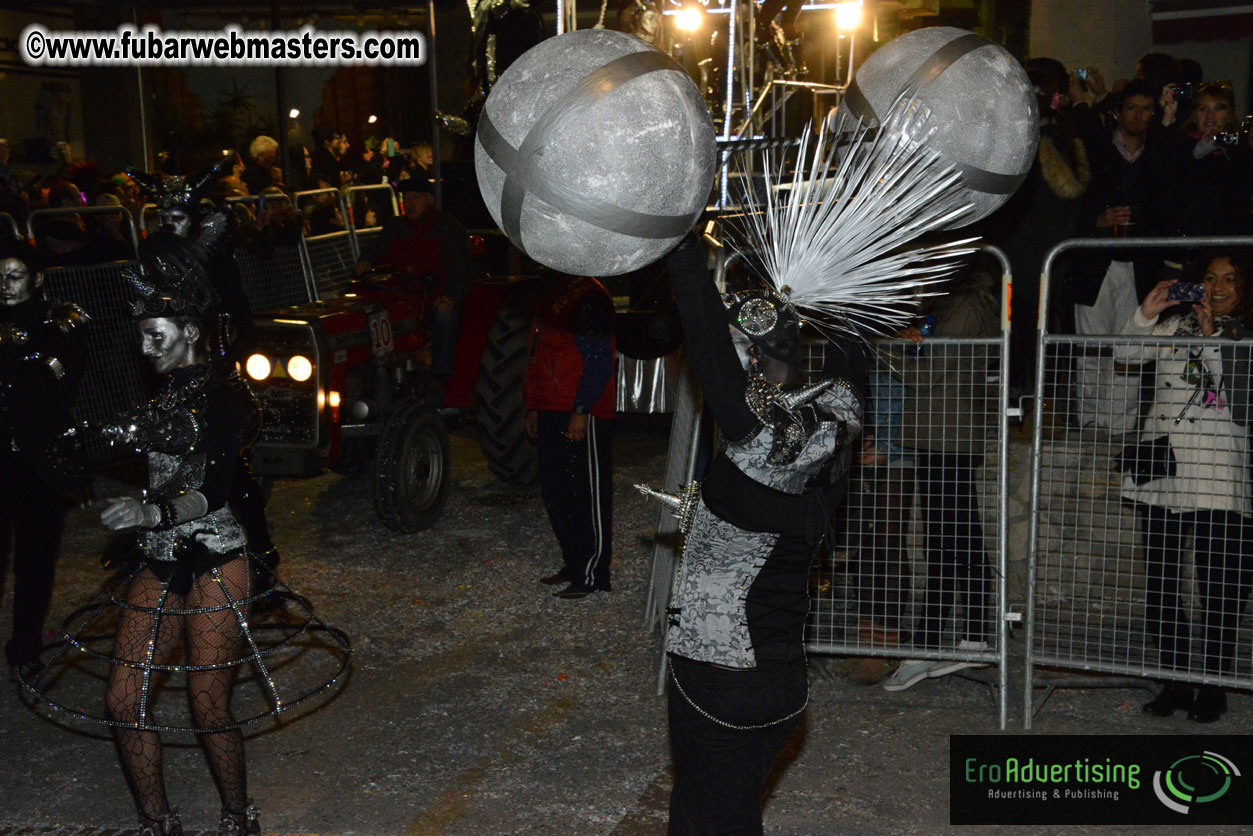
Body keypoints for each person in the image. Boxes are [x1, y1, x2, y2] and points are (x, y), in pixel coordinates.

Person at [658, 237, 865, 835]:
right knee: (720, 811)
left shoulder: (755, 443)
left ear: (746, 362)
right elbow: (853, 358)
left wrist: (677, 235)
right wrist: (847, 282)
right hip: (782, 687)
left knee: (710, 815)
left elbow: (700, 328)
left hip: (718, 679)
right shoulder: (840, 422)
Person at [92, 233, 265, 835]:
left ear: (190, 330)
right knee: (121, 700)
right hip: (160, 559)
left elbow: (214, 488)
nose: (146, 347)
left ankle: (238, 815)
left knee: (206, 701)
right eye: (140, 335)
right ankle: (156, 820)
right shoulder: (161, 393)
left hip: (217, 555)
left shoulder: (223, 395)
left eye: (155, 334)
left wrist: (150, 513)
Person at [1115, 250, 1253, 724]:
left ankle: (1214, 687)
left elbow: (1241, 398)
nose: (1217, 288)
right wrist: (1147, 312)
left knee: (1219, 588)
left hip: (1219, 474)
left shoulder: (1245, 335)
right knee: (1163, 584)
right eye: (1210, 278)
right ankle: (1174, 680)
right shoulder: (1174, 327)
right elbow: (1126, 355)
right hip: (1165, 472)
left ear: (1244, 287)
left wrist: (1214, 338)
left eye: (1230, 279)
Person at [881, 268, 999, 691]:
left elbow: (927, 374)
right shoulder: (963, 304)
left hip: (948, 437)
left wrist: (890, 349)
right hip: (944, 436)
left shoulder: (965, 306)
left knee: (951, 538)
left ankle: (956, 638)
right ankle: (952, 638)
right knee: (952, 537)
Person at [0, 241, 87, 682]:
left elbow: (63, 382)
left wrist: (26, 351)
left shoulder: (61, 321)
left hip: (40, 458)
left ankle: (26, 644)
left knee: (35, 559)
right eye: (0, 276)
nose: (6, 286)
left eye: (15, 276)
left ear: (36, 279)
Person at [1070, 80, 1171, 434]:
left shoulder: (1157, 153)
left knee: (1129, 346)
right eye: (1132, 108)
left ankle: (1121, 427)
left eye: (1146, 108)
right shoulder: (1096, 151)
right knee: (1091, 348)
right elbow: (1070, 204)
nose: (1139, 115)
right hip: (1095, 262)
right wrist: (1097, 221)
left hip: (1139, 263)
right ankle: (1091, 423)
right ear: (1118, 112)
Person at [526, 274, 616, 599]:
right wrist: (534, 406)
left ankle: (592, 573)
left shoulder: (588, 297)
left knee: (587, 495)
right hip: (553, 406)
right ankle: (574, 565)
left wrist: (581, 409)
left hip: (581, 410)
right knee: (557, 492)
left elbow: (598, 360)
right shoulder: (554, 294)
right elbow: (538, 356)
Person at [354, 178, 474, 388]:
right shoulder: (395, 226)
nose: (409, 203)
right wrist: (365, 261)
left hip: (436, 293)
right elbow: (376, 248)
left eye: (415, 198)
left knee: (444, 315)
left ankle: (441, 375)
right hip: (403, 293)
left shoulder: (448, 227)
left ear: (430, 200)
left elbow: (462, 267)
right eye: (405, 198)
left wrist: (453, 295)